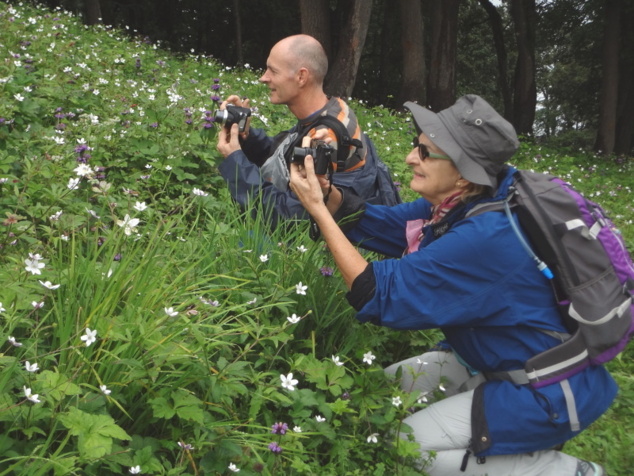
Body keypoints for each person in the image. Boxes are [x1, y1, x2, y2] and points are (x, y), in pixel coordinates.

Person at [288, 94, 616, 476]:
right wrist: (329, 196)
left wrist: (316, 211)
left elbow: (380, 294)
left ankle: (565, 470)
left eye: (425, 152)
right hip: (488, 359)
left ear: (463, 172)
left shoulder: (485, 238)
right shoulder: (463, 204)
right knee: (373, 393)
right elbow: (385, 226)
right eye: (416, 145)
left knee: (406, 443)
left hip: (544, 391)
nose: (410, 157)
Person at [216, 34, 400, 229]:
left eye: (273, 70)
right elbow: (285, 158)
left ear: (301, 77)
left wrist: (235, 160)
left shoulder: (326, 136)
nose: (264, 78)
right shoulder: (330, 109)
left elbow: (287, 219)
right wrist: (246, 137)